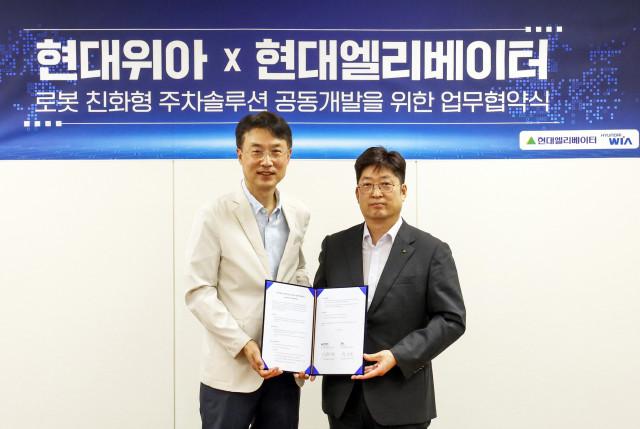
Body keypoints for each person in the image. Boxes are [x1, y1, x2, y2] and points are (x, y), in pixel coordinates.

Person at [315, 146, 466, 429]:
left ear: (403, 191)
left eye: (386, 184)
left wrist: (398, 355)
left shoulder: (431, 250)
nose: (376, 193)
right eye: (367, 185)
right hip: (344, 401)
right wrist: (304, 355)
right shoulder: (335, 246)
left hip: (402, 399)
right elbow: (317, 310)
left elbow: (451, 319)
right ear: (357, 193)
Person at [185, 111, 310, 429]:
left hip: (283, 370)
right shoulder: (214, 214)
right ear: (240, 154)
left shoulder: (298, 213)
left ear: (288, 155)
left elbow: (297, 274)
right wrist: (243, 343)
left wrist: (305, 343)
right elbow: (198, 291)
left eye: (276, 151)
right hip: (231, 370)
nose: (267, 161)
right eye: (257, 151)